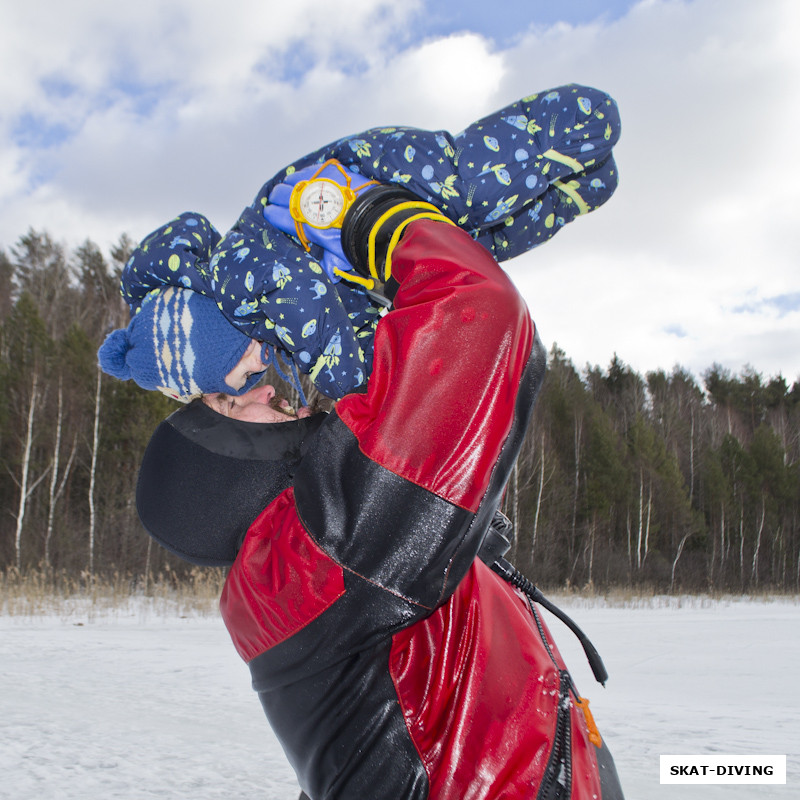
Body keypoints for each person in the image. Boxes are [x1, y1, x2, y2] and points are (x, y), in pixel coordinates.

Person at [135, 168, 625, 798]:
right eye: (231, 408)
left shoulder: (310, 565)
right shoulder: (324, 552)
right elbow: (479, 313)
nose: (256, 389)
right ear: (219, 471)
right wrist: (369, 218)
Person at [100, 83, 620, 402]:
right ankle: (579, 186)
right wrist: (380, 368)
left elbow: (302, 293)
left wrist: (344, 375)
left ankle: (575, 122)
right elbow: (343, 316)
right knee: (475, 249)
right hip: (377, 246)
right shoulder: (267, 326)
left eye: (235, 373)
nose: (255, 372)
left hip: (377, 178)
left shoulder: (233, 277)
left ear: (211, 342)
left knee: (471, 186)